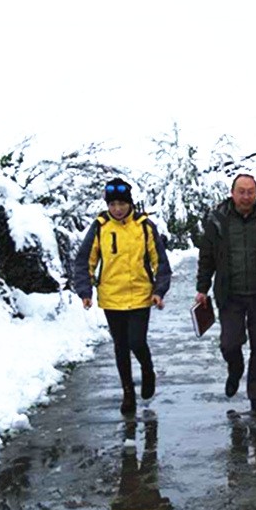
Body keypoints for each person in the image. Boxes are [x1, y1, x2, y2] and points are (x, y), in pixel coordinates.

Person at [74, 177, 171, 414]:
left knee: (136, 341)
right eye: (113, 204)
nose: (117, 209)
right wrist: (85, 290)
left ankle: (147, 370)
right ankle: (128, 392)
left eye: (121, 204)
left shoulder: (144, 226)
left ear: (130, 204)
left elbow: (160, 261)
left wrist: (159, 290)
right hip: (111, 296)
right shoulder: (100, 227)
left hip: (140, 295)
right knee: (121, 346)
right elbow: (85, 260)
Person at [195, 174, 256, 415]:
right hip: (230, 294)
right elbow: (207, 257)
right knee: (229, 344)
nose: (246, 197)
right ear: (232, 193)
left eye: (250, 192)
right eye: (241, 191)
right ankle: (235, 368)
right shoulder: (218, 221)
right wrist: (202, 288)